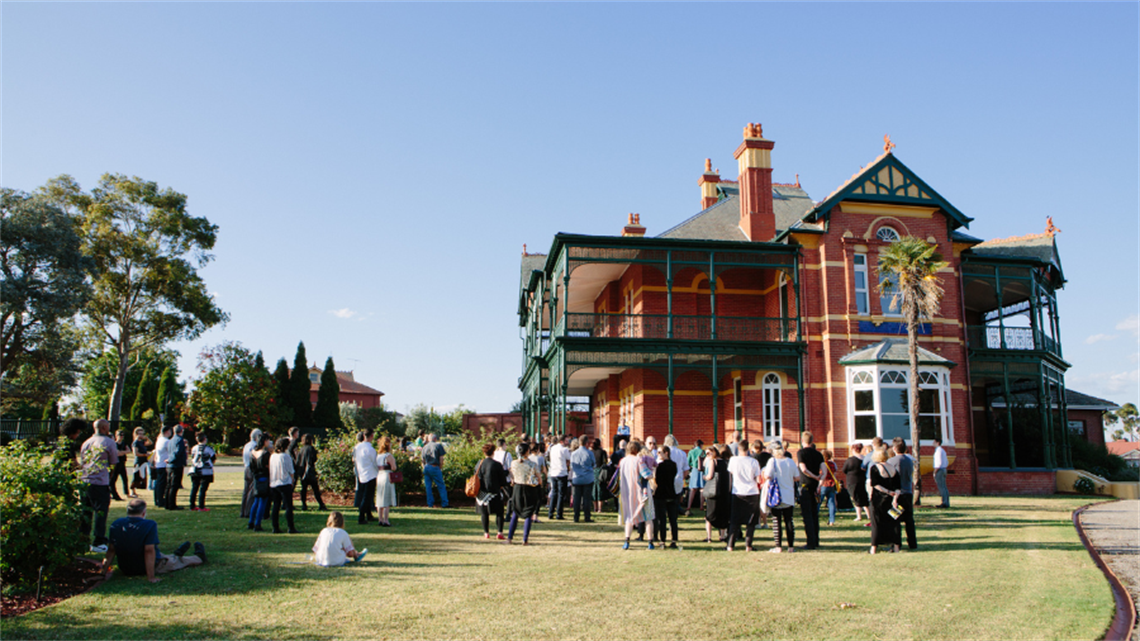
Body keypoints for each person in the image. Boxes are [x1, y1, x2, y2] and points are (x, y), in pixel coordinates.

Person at [102, 499, 205, 582]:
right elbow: (149, 550)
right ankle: (198, 557)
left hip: (125, 567)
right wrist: (151, 577)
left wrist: (102, 572)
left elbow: (111, 550)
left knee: (165, 556)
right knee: (178, 561)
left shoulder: (116, 524)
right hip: (145, 566)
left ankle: (176, 554)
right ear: (144, 512)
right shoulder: (149, 525)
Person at [79, 418, 119, 554]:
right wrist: (110, 476)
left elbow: (82, 461)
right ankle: (99, 540)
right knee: (100, 512)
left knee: (85, 511)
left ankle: (82, 540)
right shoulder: (108, 442)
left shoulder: (86, 442)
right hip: (100, 481)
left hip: (85, 480)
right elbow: (113, 462)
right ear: (103, 428)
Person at [762, 442, 800, 553]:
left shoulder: (772, 461)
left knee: (776, 521)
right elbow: (797, 477)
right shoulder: (790, 461)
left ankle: (778, 546)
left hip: (776, 494)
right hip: (788, 494)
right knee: (789, 520)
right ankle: (791, 546)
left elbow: (768, 475)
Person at [618, 441, 656, 550]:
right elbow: (647, 475)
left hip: (627, 492)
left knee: (629, 517)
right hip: (641, 492)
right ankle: (650, 542)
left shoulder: (623, 461)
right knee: (648, 517)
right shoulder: (639, 460)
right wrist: (651, 470)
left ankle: (627, 541)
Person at [726, 439, 762, 552]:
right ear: (748, 449)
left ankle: (730, 545)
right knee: (751, 522)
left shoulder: (733, 460)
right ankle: (748, 545)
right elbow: (758, 478)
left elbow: (731, 473)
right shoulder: (754, 462)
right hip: (752, 492)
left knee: (735, 521)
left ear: (738, 449)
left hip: (737, 491)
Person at [507, 443, 541, 545]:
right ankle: (525, 539)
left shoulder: (513, 463)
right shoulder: (532, 464)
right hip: (529, 489)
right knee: (528, 514)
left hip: (517, 488)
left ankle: (509, 538)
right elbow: (539, 480)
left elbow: (511, 477)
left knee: (515, 513)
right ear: (527, 451)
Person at [869, 447, 901, 554]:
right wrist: (895, 497)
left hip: (878, 499)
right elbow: (898, 487)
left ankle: (873, 548)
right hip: (892, 500)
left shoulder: (875, 468)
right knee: (894, 523)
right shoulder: (893, 468)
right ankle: (896, 547)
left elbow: (875, 485)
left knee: (876, 523)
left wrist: (887, 491)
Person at [796, 432, 825, 550]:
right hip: (814, 487)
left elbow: (803, 469)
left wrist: (814, 476)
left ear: (802, 441)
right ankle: (816, 540)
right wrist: (820, 480)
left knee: (807, 515)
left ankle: (810, 542)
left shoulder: (801, 453)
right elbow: (824, 469)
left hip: (805, 486)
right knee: (814, 514)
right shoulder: (818, 454)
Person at [475, 443, 508, 539]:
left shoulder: (479, 464)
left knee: (484, 513)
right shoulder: (497, 465)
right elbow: (503, 481)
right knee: (499, 513)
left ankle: (486, 533)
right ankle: (500, 532)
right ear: (493, 452)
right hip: (494, 492)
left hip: (482, 493)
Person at [888, 442, 917, 550]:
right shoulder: (909, 460)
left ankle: (896, 543)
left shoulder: (892, 461)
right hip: (908, 492)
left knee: (895, 519)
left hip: (898, 494)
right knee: (909, 520)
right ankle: (912, 543)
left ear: (894, 448)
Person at [269, 436, 299, 534]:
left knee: (276, 505)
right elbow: (291, 470)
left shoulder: (273, 456)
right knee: (288, 506)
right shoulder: (286, 456)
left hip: (274, 482)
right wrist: (292, 479)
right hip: (284, 482)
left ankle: (275, 526)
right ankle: (291, 527)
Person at [702, 445, 731, 543]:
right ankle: (722, 536)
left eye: (708, 453)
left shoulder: (712, 462)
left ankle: (709, 537)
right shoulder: (726, 462)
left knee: (709, 515)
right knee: (723, 514)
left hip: (714, 491)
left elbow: (710, 476)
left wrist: (704, 477)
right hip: (724, 490)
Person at [653, 446, 679, 548]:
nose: (658, 454)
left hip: (661, 494)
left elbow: (658, 480)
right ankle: (674, 540)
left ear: (666, 453)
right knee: (673, 519)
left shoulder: (660, 466)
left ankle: (662, 540)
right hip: (671, 492)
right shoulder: (674, 465)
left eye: (660, 452)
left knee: (662, 519)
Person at [353, 430, 379, 523]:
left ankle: (369, 515)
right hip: (370, 474)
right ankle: (361, 517)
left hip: (361, 473)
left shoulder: (358, 447)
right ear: (371, 436)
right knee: (367, 496)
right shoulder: (370, 449)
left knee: (365, 495)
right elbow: (375, 463)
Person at [247, 434, 273, 532]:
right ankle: (257, 523)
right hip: (264, 477)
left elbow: (251, 467)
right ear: (264, 441)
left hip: (256, 477)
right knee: (263, 501)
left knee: (256, 500)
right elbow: (269, 467)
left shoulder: (252, 453)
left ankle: (251, 521)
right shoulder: (265, 454)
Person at [296, 433, 328, 512]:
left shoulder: (301, 449)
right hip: (310, 472)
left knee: (304, 489)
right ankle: (321, 504)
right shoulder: (311, 449)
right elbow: (313, 459)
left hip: (303, 471)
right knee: (315, 489)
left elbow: (298, 461)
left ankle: (304, 504)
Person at [570, 435, 595, 523]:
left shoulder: (573, 454)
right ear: (587, 443)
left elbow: (571, 466)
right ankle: (587, 516)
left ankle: (576, 517)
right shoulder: (589, 453)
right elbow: (594, 464)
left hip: (576, 478)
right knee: (586, 499)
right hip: (587, 478)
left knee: (576, 498)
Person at [188, 433, 217, 511]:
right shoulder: (208, 449)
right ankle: (201, 506)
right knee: (203, 489)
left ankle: (192, 505)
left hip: (194, 470)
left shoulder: (194, 448)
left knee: (194, 488)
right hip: (205, 470)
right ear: (204, 439)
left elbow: (193, 457)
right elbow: (213, 458)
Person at [421, 433, 450, 508]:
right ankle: (444, 503)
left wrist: (424, 467)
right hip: (435, 466)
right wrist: (440, 468)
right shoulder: (438, 446)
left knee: (428, 487)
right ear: (435, 439)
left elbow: (422, 460)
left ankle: (430, 504)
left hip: (427, 467)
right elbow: (441, 459)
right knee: (441, 486)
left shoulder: (425, 447)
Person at [844, 443, 871, 523]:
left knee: (856, 498)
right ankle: (869, 515)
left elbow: (844, 469)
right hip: (863, 480)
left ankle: (859, 516)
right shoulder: (865, 459)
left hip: (852, 481)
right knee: (864, 498)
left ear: (854, 450)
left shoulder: (850, 460)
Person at [241, 428, 264, 519]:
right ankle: (248, 511)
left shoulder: (246, 445)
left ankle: (243, 511)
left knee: (246, 491)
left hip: (246, 467)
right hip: (252, 468)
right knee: (252, 490)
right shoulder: (255, 446)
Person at [546, 434, 571, 520]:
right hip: (562, 472)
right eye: (566, 441)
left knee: (554, 492)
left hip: (553, 472)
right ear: (562, 441)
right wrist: (566, 463)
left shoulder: (553, 448)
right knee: (561, 494)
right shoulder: (564, 450)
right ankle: (559, 514)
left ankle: (550, 512)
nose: (568, 442)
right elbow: (569, 459)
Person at [375, 435, 398, 527]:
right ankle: (386, 520)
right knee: (387, 499)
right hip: (387, 476)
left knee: (380, 498)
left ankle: (380, 519)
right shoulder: (388, 456)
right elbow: (394, 467)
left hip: (379, 476)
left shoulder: (378, 456)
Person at [164, 425, 188, 510]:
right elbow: (177, 453)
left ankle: (167, 503)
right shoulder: (179, 440)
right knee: (174, 485)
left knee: (169, 485)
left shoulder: (171, 440)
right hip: (176, 465)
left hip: (170, 466)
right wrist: (170, 459)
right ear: (181, 431)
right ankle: (172, 504)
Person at [662, 434, 689, 501]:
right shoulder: (682, 453)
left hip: (665, 481)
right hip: (678, 480)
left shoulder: (664, 453)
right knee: (675, 503)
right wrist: (682, 477)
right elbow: (686, 470)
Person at [152, 425, 172, 509]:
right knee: (162, 484)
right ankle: (160, 500)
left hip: (158, 463)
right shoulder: (166, 441)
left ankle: (157, 499)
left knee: (158, 483)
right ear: (167, 432)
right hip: (164, 464)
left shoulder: (159, 440)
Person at [818, 449, 840, 526]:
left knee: (818, 502)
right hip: (832, 484)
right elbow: (835, 472)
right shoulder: (833, 464)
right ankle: (832, 521)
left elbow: (820, 474)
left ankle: (815, 517)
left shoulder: (821, 464)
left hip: (823, 484)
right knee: (831, 503)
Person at [685, 439, 705, 516]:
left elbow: (688, 461)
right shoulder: (702, 451)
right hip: (701, 470)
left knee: (692, 489)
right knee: (702, 489)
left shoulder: (691, 452)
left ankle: (689, 506)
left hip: (694, 470)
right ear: (700, 445)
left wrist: (692, 464)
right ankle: (701, 506)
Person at [111, 429, 131, 501]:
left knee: (125, 479)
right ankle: (112, 493)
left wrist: (122, 452)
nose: (121, 437)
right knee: (114, 479)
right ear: (116, 436)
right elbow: (117, 453)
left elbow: (129, 451)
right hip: (116, 464)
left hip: (123, 463)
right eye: (120, 435)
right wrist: (122, 452)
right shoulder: (114, 444)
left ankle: (127, 493)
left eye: (122, 435)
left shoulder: (124, 443)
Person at [130, 428, 150, 499]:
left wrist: (146, 438)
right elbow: (136, 453)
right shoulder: (135, 442)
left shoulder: (141, 442)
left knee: (141, 476)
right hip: (138, 461)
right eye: (139, 434)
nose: (141, 435)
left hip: (143, 462)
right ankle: (132, 490)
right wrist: (145, 455)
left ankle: (136, 490)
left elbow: (150, 443)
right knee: (136, 476)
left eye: (142, 434)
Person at [592, 439, 609, 514]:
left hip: (592, 471)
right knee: (600, 490)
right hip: (600, 472)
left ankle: (594, 508)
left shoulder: (591, 452)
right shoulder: (602, 452)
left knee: (593, 490)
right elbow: (605, 462)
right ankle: (599, 508)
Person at [933, 437, 950, 508]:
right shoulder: (943, 451)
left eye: (934, 442)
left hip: (940, 470)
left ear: (938, 443)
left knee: (941, 487)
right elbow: (946, 461)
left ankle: (944, 503)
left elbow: (938, 463)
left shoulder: (938, 451)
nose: (933, 444)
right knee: (944, 487)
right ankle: (946, 502)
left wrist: (935, 472)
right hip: (944, 469)